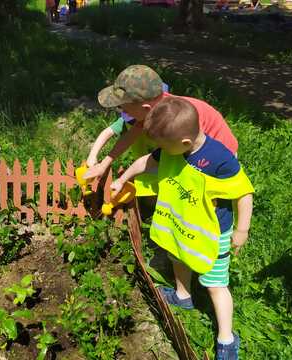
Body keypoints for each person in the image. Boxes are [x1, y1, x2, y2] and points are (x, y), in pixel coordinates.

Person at [111, 97, 254, 360]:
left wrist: (242, 230)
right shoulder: (174, 147)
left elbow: (243, 193)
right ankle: (183, 295)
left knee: (215, 284)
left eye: (163, 146)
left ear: (185, 143)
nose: (160, 151)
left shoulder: (219, 159)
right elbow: (147, 162)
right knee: (178, 257)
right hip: (181, 222)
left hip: (212, 233)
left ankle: (226, 338)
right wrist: (122, 178)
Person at [84, 65, 238, 183]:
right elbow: (130, 136)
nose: (123, 113)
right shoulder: (155, 108)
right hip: (186, 147)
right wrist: (104, 164)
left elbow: (197, 150)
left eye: (124, 108)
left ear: (145, 109)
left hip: (217, 158)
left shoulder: (176, 117)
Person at [86, 82, 169, 199]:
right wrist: (93, 156)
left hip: (166, 170)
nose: (126, 114)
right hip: (145, 170)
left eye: (127, 110)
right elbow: (115, 134)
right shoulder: (137, 118)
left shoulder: (171, 125)